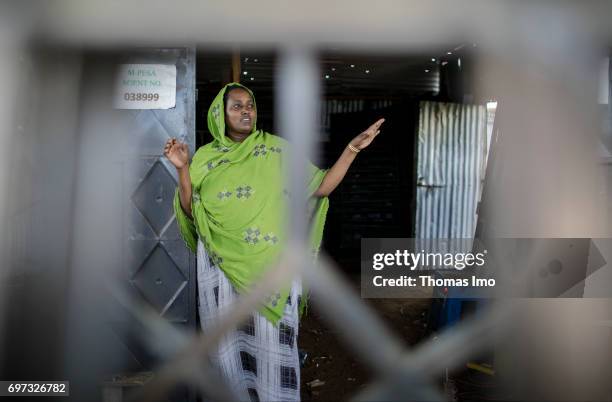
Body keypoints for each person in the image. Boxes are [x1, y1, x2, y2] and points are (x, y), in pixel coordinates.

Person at [164, 82, 383, 401]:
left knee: (274, 346)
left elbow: (320, 186)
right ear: (219, 115)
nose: (245, 111)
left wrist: (351, 149)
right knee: (227, 347)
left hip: (273, 271)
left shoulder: (277, 150)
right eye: (236, 106)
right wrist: (183, 169)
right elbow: (190, 209)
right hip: (221, 274)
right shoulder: (206, 159)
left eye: (249, 105)